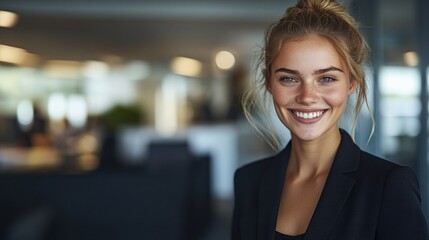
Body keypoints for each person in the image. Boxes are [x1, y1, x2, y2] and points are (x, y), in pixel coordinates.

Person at [231, 0, 429, 239]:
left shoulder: (389, 185)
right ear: (269, 82)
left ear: (352, 83)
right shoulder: (248, 180)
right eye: (289, 79)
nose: (307, 97)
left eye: (326, 79)